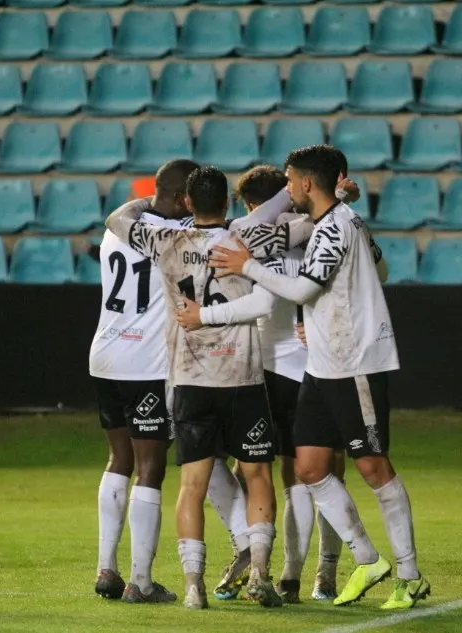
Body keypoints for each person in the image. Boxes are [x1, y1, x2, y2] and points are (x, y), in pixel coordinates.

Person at [208, 146, 431, 610]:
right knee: (309, 469)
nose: (288, 188)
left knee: (373, 467)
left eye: (291, 180)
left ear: (307, 183)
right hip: (321, 365)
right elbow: (377, 269)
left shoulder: (335, 226)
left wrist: (246, 265)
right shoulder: (335, 222)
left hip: (355, 363)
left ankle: (409, 575)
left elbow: (304, 288)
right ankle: (367, 560)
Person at [104, 165, 315, 610]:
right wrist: (306, 196)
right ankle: (259, 573)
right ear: (226, 202)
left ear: (186, 202)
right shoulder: (246, 237)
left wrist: (150, 199)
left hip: (189, 380)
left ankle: (193, 587)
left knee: (192, 485)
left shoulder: (165, 240)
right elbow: (299, 227)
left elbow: (116, 220)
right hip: (241, 377)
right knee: (257, 475)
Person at [174, 164, 355, 604]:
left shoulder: (245, 235)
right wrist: (339, 200)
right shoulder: (321, 232)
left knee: (249, 469)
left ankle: (262, 562)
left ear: (251, 204)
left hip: (264, 368)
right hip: (319, 366)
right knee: (322, 472)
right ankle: (318, 573)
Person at [88, 159, 199, 603]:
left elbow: (124, 213)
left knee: (118, 459)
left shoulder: (116, 231)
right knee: (150, 468)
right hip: (147, 365)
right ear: (182, 198)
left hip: (105, 356)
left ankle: (106, 569)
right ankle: (141, 581)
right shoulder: (176, 236)